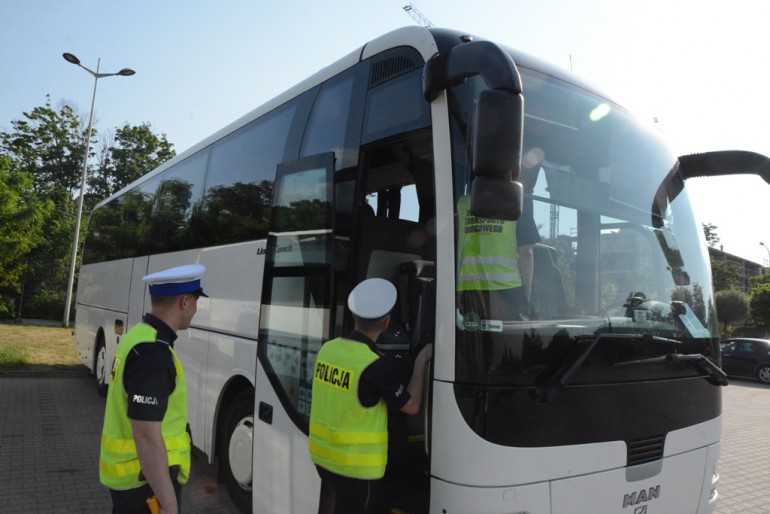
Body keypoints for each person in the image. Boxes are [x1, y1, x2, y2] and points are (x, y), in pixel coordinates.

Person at [308, 278, 433, 514]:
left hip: (323, 457)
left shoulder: (328, 348)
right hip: (356, 468)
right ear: (387, 323)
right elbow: (412, 406)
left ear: (354, 317)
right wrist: (421, 361)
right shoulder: (372, 365)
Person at [100, 264, 208, 514]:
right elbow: (146, 435)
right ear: (184, 302)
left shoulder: (139, 335)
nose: (195, 308)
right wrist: (169, 503)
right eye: (195, 301)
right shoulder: (152, 354)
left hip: (137, 479)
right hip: (145, 486)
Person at [456, 190, 539, 321]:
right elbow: (526, 253)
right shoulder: (519, 200)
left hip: (468, 289)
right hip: (507, 290)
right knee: (510, 339)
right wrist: (526, 296)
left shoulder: (462, 203)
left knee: (470, 337)